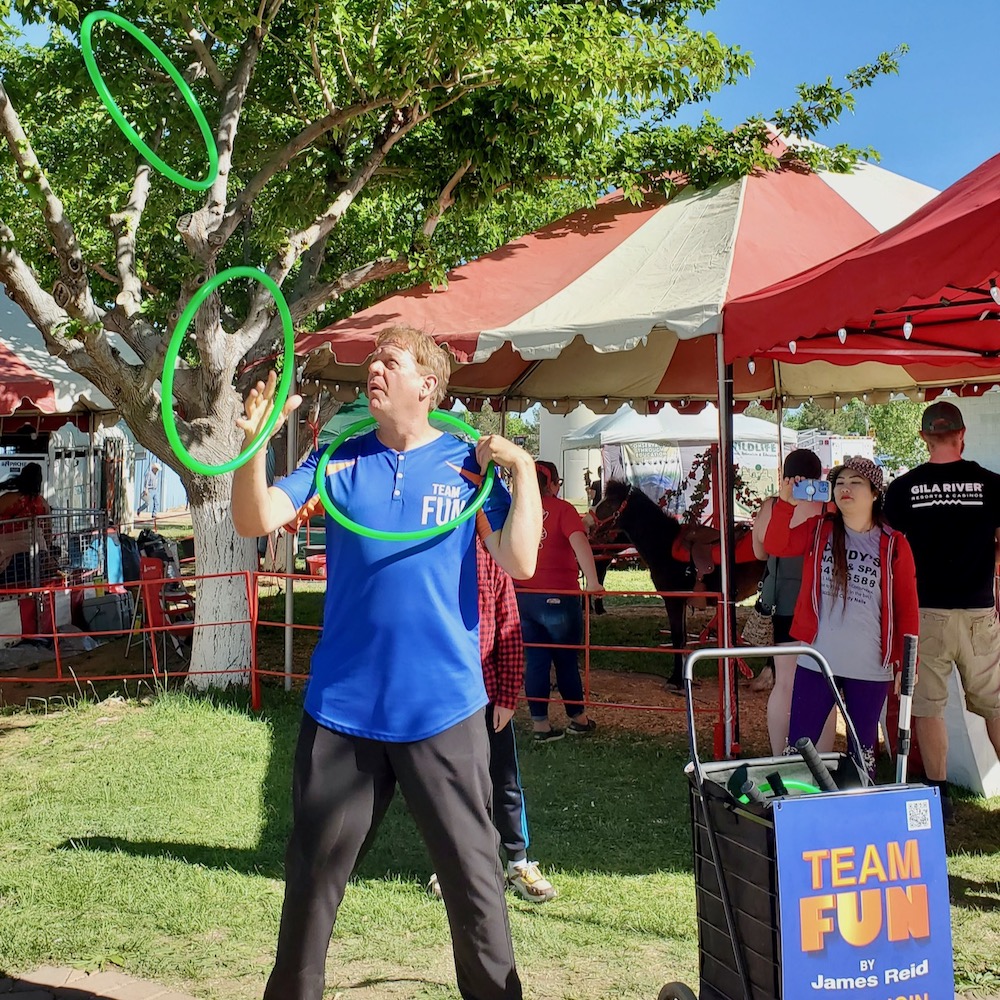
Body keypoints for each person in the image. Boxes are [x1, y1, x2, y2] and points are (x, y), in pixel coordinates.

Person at [231, 325, 542, 1000]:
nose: (374, 369)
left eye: (389, 361)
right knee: (310, 882)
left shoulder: (468, 464)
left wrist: (521, 476)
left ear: (427, 386)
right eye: (372, 360)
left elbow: (521, 561)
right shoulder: (337, 456)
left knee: (476, 884)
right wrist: (253, 446)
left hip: (443, 710)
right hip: (343, 711)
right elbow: (256, 521)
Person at [765, 456, 919, 778]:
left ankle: (856, 815)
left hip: (869, 666)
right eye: (839, 483)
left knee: (862, 753)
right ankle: (798, 810)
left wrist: (907, 664)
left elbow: (907, 607)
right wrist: (785, 504)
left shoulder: (894, 544)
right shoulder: (820, 530)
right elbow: (776, 544)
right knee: (800, 746)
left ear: (875, 493)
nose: (845, 488)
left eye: (855, 482)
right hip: (817, 660)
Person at [883, 401, 1000, 818]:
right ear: (962, 434)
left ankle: (938, 792)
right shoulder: (991, 484)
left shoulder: (902, 489)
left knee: (928, 705)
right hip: (979, 612)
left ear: (924, 438)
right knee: (995, 703)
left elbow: (888, 550)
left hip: (925, 611)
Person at [429, 537, 558, 904]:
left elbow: (509, 629)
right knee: (455, 784)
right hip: (445, 698)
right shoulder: (429, 556)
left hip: (487, 696)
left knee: (504, 780)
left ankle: (518, 861)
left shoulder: (491, 556)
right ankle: (457, 865)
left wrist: (505, 697)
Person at [752, 449, 837, 756]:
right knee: (825, 682)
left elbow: (760, 552)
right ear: (821, 474)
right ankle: (823, 757)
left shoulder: (773, 506)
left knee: (784, 682)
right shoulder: (829, 505)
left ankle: (778, 753)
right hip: (824, 601)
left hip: (784, 602)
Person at [514, 460, 603, 741]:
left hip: (524, 595)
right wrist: (593, 582)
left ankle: (540, 724)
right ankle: (578, 717)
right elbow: (579, 542)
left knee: (537, 660)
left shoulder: (515, 511)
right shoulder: (563, 509)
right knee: (565, 659)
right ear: (553, 484)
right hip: (560, 596)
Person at [0, 462, 52, 585]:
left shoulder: (6, 499)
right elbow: (48, 530)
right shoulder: (42, 503)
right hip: (37, 551)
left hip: (8, 552)